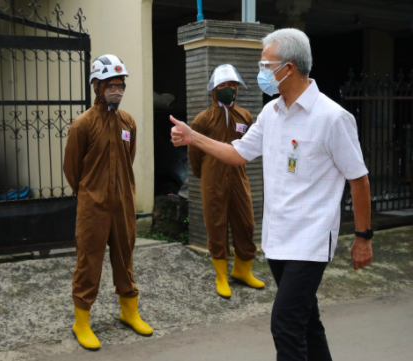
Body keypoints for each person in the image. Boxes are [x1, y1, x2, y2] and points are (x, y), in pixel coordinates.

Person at [170, 29, 373, 361]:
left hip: (311, 239)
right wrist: (193, 137)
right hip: (278, 238)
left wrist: (364, 237)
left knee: (285, 325)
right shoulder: (272, 113)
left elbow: (359, 179)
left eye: (266, 64)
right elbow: (237, 153)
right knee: (307, 322)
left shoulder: (333, 117)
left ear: (288, 68)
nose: (261, 72)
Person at [63, 54, 153, 351]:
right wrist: (90, 191)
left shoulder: (128, 121)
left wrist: (122, 190)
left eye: (121, 84)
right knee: (89, 260)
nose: (117, 90)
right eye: (111, 85)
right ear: (97, 87)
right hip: (93, 204)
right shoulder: (82, 124)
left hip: (124, 202)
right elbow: (71, 169)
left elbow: (130, 158)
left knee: (125, 255)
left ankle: (129, 311)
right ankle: (82, 321)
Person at [189, 64, 265, 299]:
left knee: (246, 222)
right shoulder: (203, 119)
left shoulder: (245, 116)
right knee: (217, 224)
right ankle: (221, 275)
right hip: (212, 180)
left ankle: (242, 270)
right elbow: (194, 153)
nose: (228, 89)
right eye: (223, 85)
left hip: (239, 177)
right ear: (214, 89)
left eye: (232, 85)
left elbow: (250, 147)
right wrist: (207, 175)